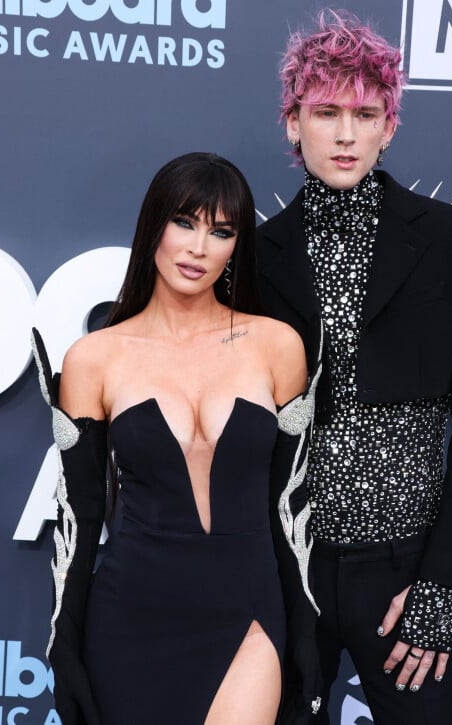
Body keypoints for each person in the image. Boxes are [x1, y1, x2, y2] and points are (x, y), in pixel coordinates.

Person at [256, 10, 452, 725]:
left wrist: (440, 584)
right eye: (325, 111)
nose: (344, 134)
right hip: (286, 570)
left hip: (404, 570)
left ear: (389, 126)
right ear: (292, 121)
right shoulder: (256, 252)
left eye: (364, 114)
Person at [32, 152, 323, 725]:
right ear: (153, 227)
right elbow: (80, 521)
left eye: (221, 231)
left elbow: (291, 509)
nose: (198, 247)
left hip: (248, 611)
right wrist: (63, 645)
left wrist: (307, 632)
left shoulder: (277, 345)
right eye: (185, 222)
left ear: (236, 246)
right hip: (130, 614)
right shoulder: (94, 358)